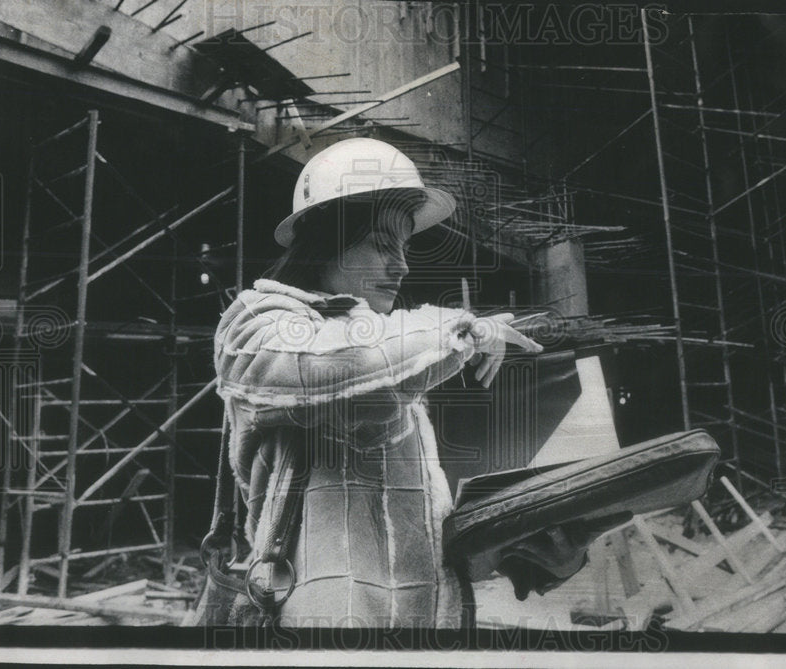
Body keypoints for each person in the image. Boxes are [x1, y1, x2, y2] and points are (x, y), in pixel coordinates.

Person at [211, 138, 607, 628]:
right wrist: (461, 328)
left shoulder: (396, 362)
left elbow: (415, 544)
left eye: (403, 247)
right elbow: (334, 363)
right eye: (382, 245)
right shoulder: (256, 325)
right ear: (327, 240)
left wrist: (535, 548)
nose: (401, 265)